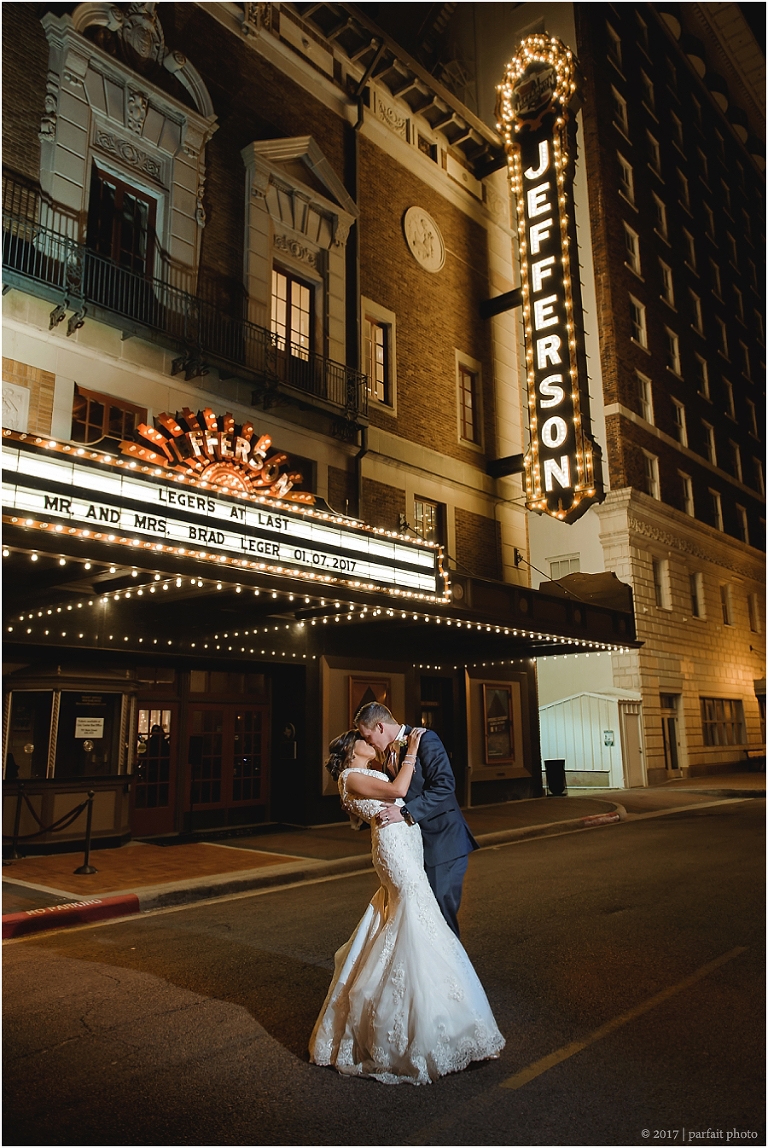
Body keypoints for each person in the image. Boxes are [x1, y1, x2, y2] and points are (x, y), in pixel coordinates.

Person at [309, 729, 504, 1085]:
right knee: (417, 917)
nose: (370, 742)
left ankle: (439, 1010)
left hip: (408, 842)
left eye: (369, 734)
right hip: (393, 849)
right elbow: (399, 791)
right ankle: (415, 1025)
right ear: (352, 750)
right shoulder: (350, 776)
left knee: (411, 918)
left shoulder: (369, 768)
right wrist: (412, 749)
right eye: (363, 738)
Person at [355, 701, 477, 938]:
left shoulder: (425, 739)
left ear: (380, 726)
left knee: (441, 912)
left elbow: (445, 784)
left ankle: (451, 973)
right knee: (424, 913)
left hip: (444, 841)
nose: (368, 742)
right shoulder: (388, 752)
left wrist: (404, 813)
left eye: (368, 736)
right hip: (417, 844)